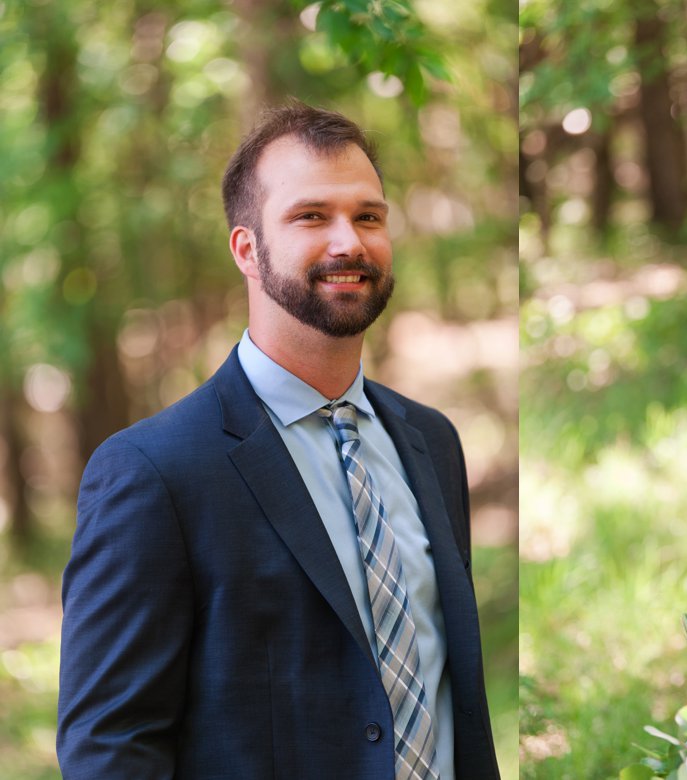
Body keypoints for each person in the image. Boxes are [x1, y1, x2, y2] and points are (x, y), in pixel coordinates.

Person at [57, 102, 500, 780]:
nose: (348, 241)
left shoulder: (431, 442)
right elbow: (109, 748)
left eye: (369, 216)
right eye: (310, 216)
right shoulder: (154, 471)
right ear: (246, 250)